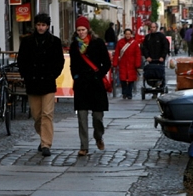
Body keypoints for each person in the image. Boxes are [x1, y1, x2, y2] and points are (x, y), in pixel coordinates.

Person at [17, 13, 65, 157]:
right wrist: (26, 75)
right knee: (37, 115)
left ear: (48, 26)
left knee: (47, 114)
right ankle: (43, 136)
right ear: (35, 25)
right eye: (38, 25)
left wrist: (53, 74)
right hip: (33, 82)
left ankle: (46, 144)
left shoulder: (55, 42)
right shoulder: (27, 42)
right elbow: (21, 61)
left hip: (48, 82)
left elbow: (60, 61)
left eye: (43, 25)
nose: (41, 27)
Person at [69, 16, 111, 156]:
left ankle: (98, 136)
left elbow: (106, 63)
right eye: (78, 30)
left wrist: (99, 75)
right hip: (81, 84)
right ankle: (84, 146)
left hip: (95, 84)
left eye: (83, 30)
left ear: (88, 30)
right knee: (82, 117)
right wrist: (75, 76)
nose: (81, 32)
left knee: (97, 117)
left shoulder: (97, 43)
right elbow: (73, 65)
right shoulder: (74, 45)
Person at [112, 28, 141, 100]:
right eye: (126, 34)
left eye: (129, 34)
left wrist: (137, 64)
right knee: (123, 79)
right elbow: (117, 53)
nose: (128, 35)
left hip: (131, 63)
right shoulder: (120, 42)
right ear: (124, 34)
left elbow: (137, 54)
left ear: (131, 34)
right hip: (123, 63)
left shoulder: (134, 43)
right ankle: (124, 93)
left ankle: (129, 93)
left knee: (131, 80)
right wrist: (115, 63)